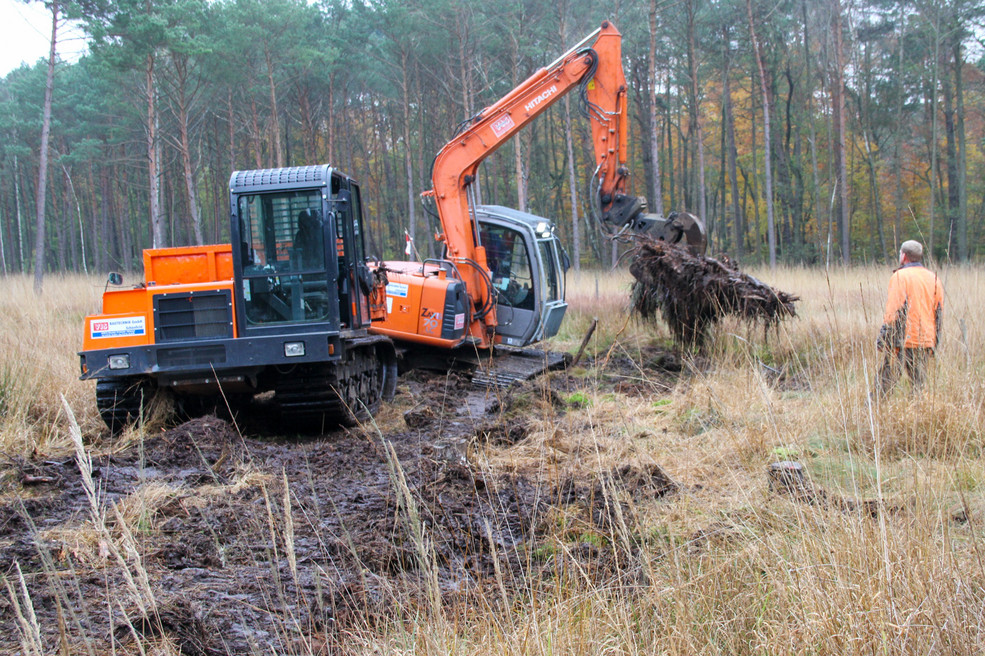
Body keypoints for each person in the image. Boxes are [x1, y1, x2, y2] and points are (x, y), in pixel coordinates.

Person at [877, 240, 943, 393]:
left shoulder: (900, 276)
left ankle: (875, 412)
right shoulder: (934, 278)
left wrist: (884, 338)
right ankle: (919, 414)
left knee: (885, 385)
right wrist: (935, 341)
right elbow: (939, 313)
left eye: (900, 253)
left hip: (902, 341)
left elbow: (893, 311)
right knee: (918, 387)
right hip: (925, 340)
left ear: (904, 256)